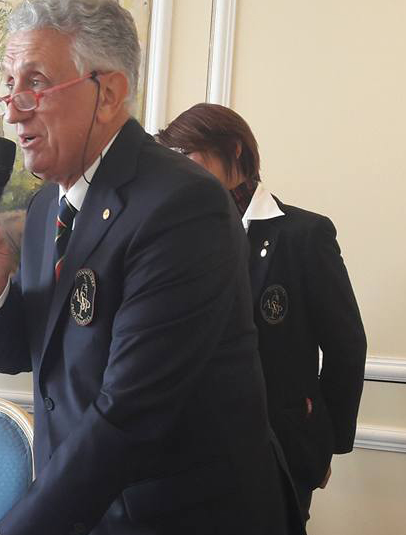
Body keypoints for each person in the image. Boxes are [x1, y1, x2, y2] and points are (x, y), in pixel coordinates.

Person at [0, 0, 303, 533]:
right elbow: (36, 359)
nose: (13, 110)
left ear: (107, 94)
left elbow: (131, 413)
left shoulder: (182, 204)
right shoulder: (45, 209)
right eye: (9, 85)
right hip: (87, 512)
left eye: (35, 83)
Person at [156, 102, 367, 522]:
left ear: (234, 150)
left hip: (282, 449)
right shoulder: (177, 237)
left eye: (188, 153)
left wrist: (325, 444)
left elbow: (347, 346)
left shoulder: (304, 235)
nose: (180, 168)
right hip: (190, 453)